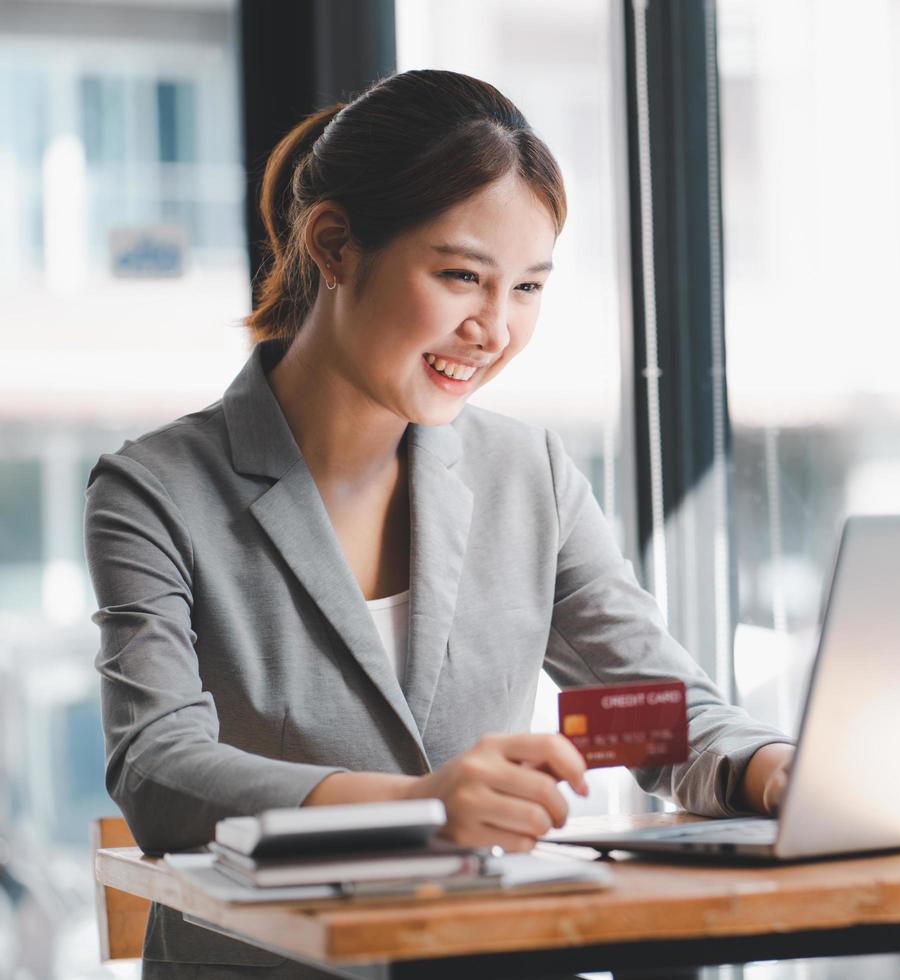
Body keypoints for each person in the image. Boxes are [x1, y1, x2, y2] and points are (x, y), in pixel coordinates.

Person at [84, 69, 795, 977]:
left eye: (528, 289)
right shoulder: (155, 488)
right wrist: (420, 804)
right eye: (462, 276)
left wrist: (777, 768)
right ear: (334, 245)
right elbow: (159, 770)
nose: (493, 329)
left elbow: (652, 715)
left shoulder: (526, 473)